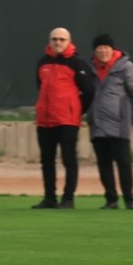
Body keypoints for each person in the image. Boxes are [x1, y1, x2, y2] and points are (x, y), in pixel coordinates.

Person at [32, 27, 97, 209]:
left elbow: (89, 91)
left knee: (68, 159)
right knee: (46, 160)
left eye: (61, 39)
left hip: (66, 120)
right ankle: (49, 197)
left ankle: (68, 198)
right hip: (45, 120)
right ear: (50, 41)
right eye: (54, 39)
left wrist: (76, 110)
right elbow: (40, 86)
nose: (58, 42)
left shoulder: (78, 63)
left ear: (69, 41)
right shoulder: (42, 63)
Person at [87, 33, 133, 210]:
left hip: (119, 124)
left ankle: (129, 199)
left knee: (123, 162)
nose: (103, 51)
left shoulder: (126, 67)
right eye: (99, 48)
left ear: (112, 49)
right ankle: (111, 199)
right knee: (104, 165)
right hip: (97, 125)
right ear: (95, 50)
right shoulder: (89, 69)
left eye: (106, 47)